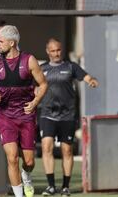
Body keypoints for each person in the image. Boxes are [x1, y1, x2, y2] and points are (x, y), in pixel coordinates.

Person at [0, 25, 48, 197]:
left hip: (26, 115)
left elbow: (43, 84)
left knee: (28, 161)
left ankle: (26, 175)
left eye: (0, 41)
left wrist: (35, 101)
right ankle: (18, 194)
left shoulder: (29, 60)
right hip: (6, 116)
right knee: (12, 158)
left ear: (12, 43)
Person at [39, 38, 98, 197]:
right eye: (53, 51)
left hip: (67, 115)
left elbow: (86, 77)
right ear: (47, 51)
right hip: (47, 114)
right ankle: (51, 186)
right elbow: (30, 86)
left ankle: (65, 186)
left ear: (61, 50)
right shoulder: (41, 69)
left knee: (67, 150)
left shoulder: (71, 66)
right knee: (46, 147)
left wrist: (91, 81)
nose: (56, 53)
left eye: (58, 50)